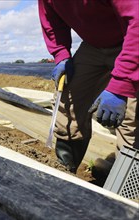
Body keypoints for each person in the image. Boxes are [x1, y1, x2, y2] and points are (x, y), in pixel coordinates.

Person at [38, 0, 139, 173]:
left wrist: (121, 84)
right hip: (94, 45)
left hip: (130, 40)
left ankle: (128, 180)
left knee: (130, 114)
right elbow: (52, 22)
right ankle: (65, 169)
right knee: (70, 96)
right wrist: (61, 54)